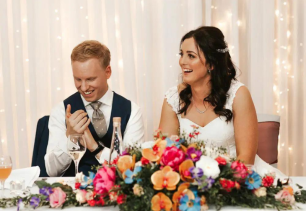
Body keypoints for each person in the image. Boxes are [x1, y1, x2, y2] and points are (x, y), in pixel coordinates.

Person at [159, 26, 285, 177]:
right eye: (182, 54)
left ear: (211, 64)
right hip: (190, 183)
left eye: (191, 56)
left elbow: (246, 160)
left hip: (237, 180)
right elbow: (166, 156)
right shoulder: (173, 98)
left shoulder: (238, 94)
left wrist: (221, 189)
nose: (182, 61)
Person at [45, 40, 145, 177]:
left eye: (90, 79)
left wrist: (94, 147)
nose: (84, 87)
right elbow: (52, 171)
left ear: (108, 72)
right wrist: (70, 137)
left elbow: (132, 169)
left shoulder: (132, 111)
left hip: (116, 194)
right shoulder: (61, 110)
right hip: (73, 194)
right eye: (78, 79)